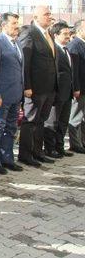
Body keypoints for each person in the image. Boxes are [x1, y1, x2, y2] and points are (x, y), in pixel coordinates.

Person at [18, 5, 58, 167]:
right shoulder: (29, 33)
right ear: (35, 16)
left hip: (49, 88)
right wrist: (27, 86)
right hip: (34, 88)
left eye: (50, 13)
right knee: (31, 121)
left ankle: (37, 152)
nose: (50, 16)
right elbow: (25, 63)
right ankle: (25, 155)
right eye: (46, 14)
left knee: (41, 121)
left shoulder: (48, 33)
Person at [0, 12, 25, 174]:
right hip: (1, 96)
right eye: (14, 23)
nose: (17, 26)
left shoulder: (17, 43)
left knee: (11, 129)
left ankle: (7, 159)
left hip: (15, 95)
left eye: (17, 23)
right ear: (4, 26)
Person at [44, 21, 77, 158]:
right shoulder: (54, 50)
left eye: (69, 33)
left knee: (63, 122)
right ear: (56, 35)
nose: (68, 36)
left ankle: (59, 147)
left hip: (68, 93)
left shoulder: (67, 49)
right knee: (52, 122)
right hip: (57, 93)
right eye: (64, 34)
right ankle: (50, 149)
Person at [67, 20, 85, 154]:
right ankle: (75, 144)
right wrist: (76, 88)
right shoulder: (75, 45)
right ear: (79, 30)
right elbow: (74, 70)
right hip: (80, 89)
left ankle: (82, 142)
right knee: (75, 117)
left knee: (82, 118)